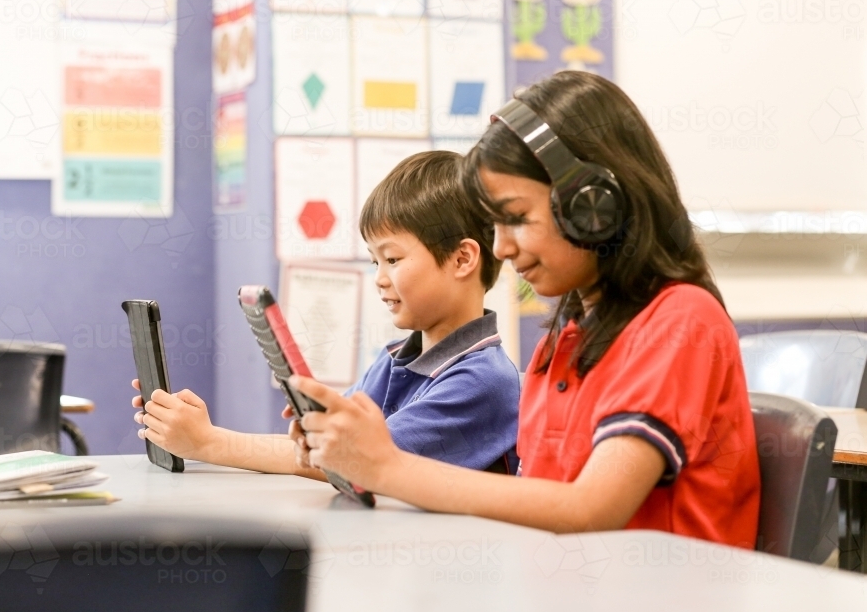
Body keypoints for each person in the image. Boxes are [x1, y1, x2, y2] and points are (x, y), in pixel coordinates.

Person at [291, 71, 761, 548]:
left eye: (516, 218)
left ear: (593, 206)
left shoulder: (680, 322)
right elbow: (533, 498)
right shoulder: (564, 341)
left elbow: (590, 510)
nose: (502, 248)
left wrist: (386, 468)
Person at [132, 150, 521, 480]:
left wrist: (208, 443)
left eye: (393, 259)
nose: (380, 279)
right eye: (374, 262)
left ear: (461, 259)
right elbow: (326, 449)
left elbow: (354, 463)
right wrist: (208, 432)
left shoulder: (484, 382)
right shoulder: (396, 359)